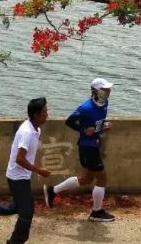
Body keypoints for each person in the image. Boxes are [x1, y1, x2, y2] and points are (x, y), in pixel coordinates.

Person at [0, 97, 52, 244]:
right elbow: (20, 158)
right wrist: (38, 170)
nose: (48, 114)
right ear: (35, 115)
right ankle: (14, 243)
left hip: (21, 175)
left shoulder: (36, 129)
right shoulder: (27, 132)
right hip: (17, 177)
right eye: (45, 112)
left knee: (19, 206)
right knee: (27, 211)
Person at [44, 77, 115, 222]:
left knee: (86, 178)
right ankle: (96, 212)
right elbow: (69, 121)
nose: (108, 92)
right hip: (87, 146)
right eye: (105, 89)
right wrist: (83, 130)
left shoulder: (104, 104)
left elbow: (96, 124)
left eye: (109, 89)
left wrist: (103, 127)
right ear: (96, 91)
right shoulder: (85, 108)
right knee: (102, 178)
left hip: (94, 144)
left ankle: (53, 191)